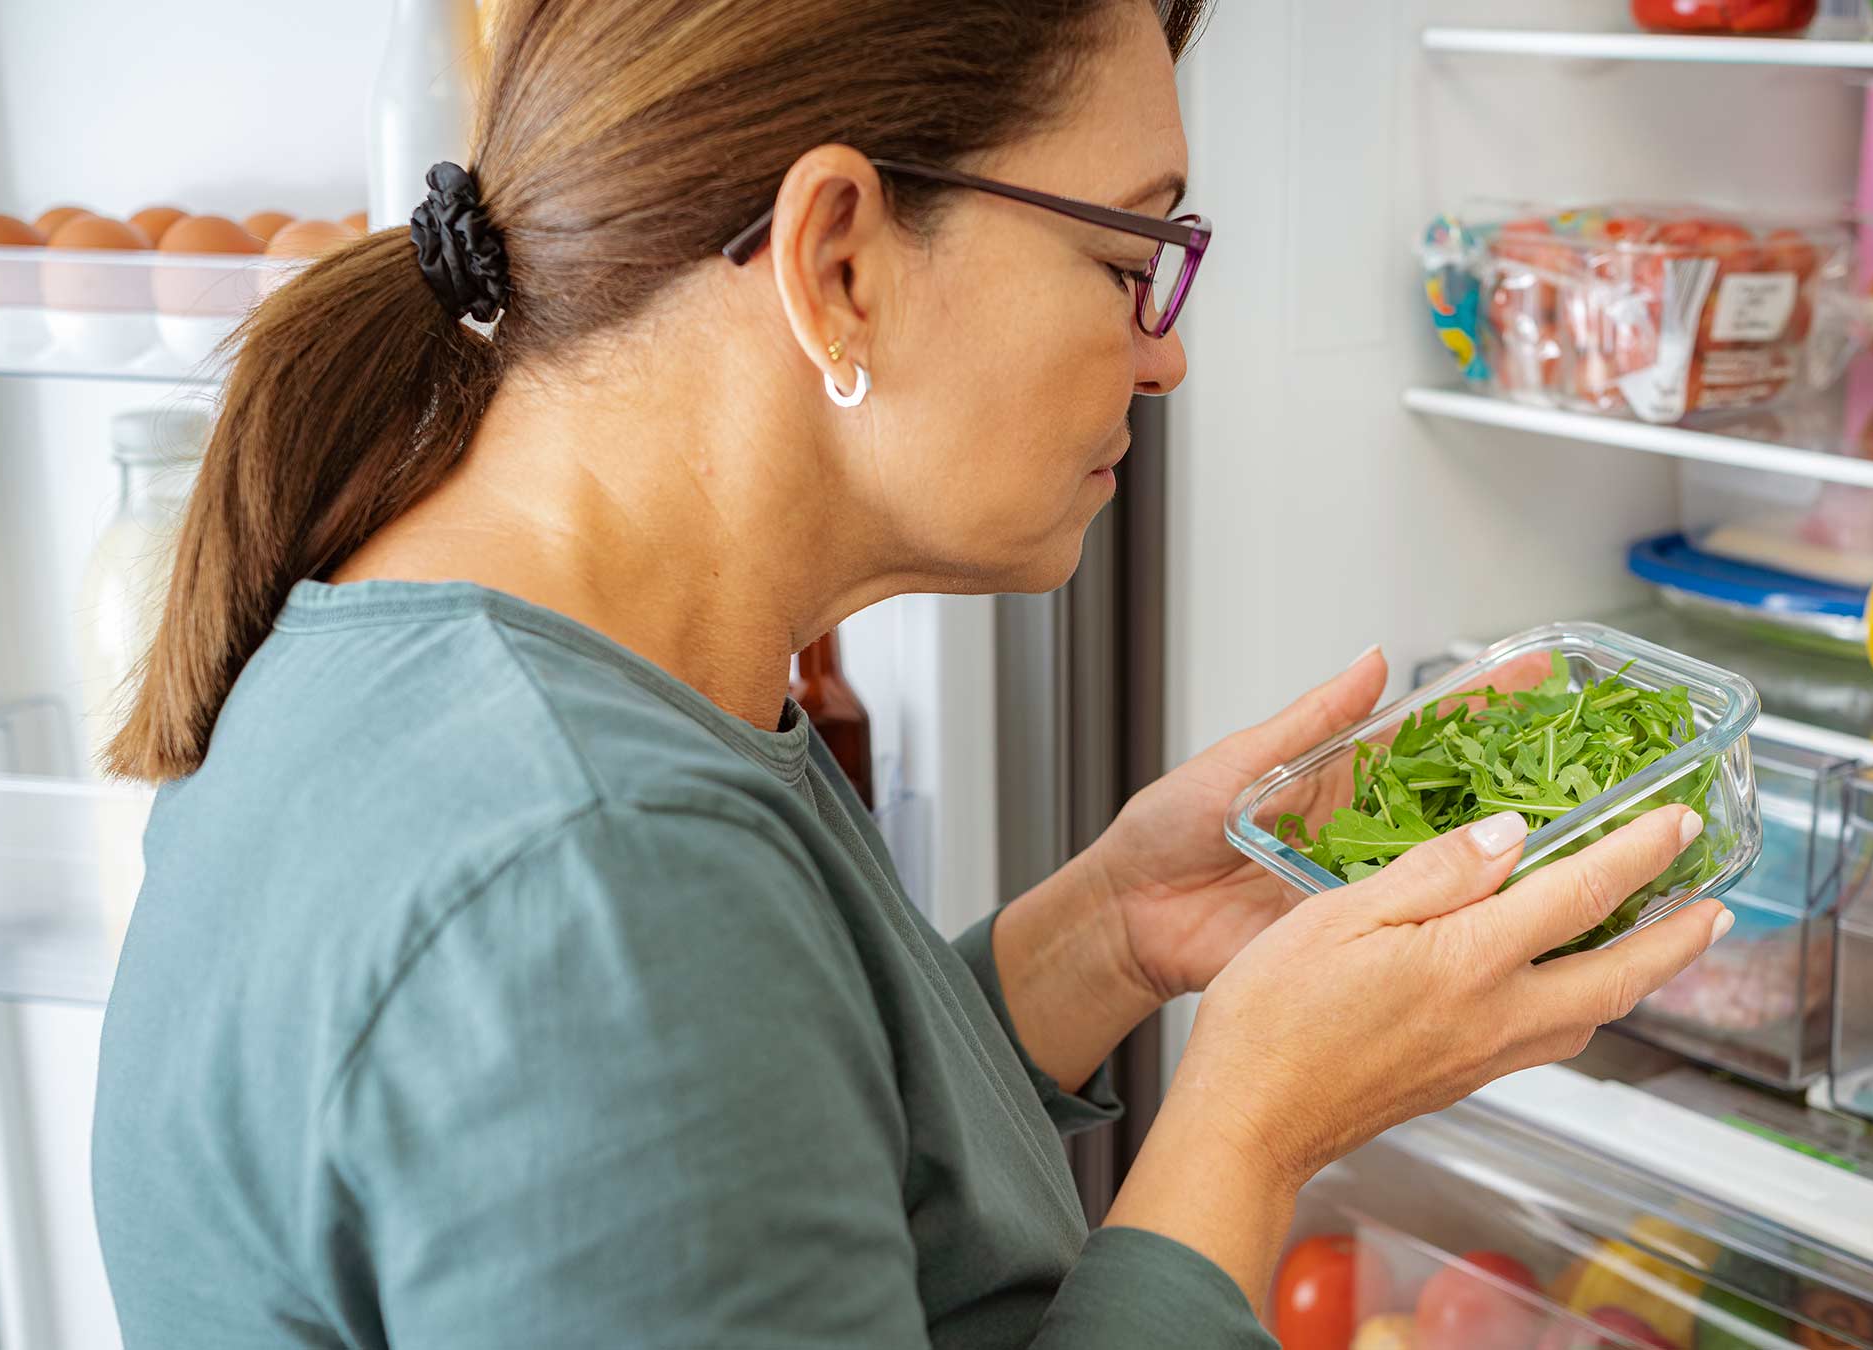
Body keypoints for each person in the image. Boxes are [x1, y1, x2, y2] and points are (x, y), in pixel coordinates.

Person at [89, 1, 1732, 1346]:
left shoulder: (515, 671)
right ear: (840, 258)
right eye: (1128, 255)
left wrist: (1101, 938)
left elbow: (769, 1153)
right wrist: (1251, 1128)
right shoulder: (590, 877)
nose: (1168, 351)